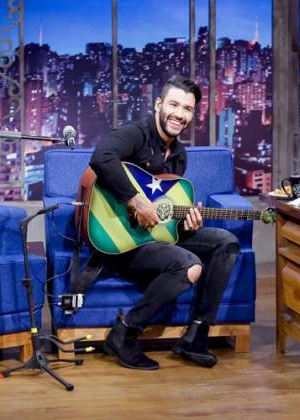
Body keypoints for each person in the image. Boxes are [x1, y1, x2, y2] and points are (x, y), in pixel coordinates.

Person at [88, 76, 240, 370]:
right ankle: (124, 333)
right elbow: (101, 156)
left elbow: (165, 222)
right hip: (121, 241)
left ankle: (196, 336)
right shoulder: (136, 133)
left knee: (226, 243)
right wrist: (136, 201)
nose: (179, 114)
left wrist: (185, 226)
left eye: (187, 109)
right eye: (174, 104)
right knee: (189, 265)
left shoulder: (179, 155)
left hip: (154, 240)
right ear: (158, 104)